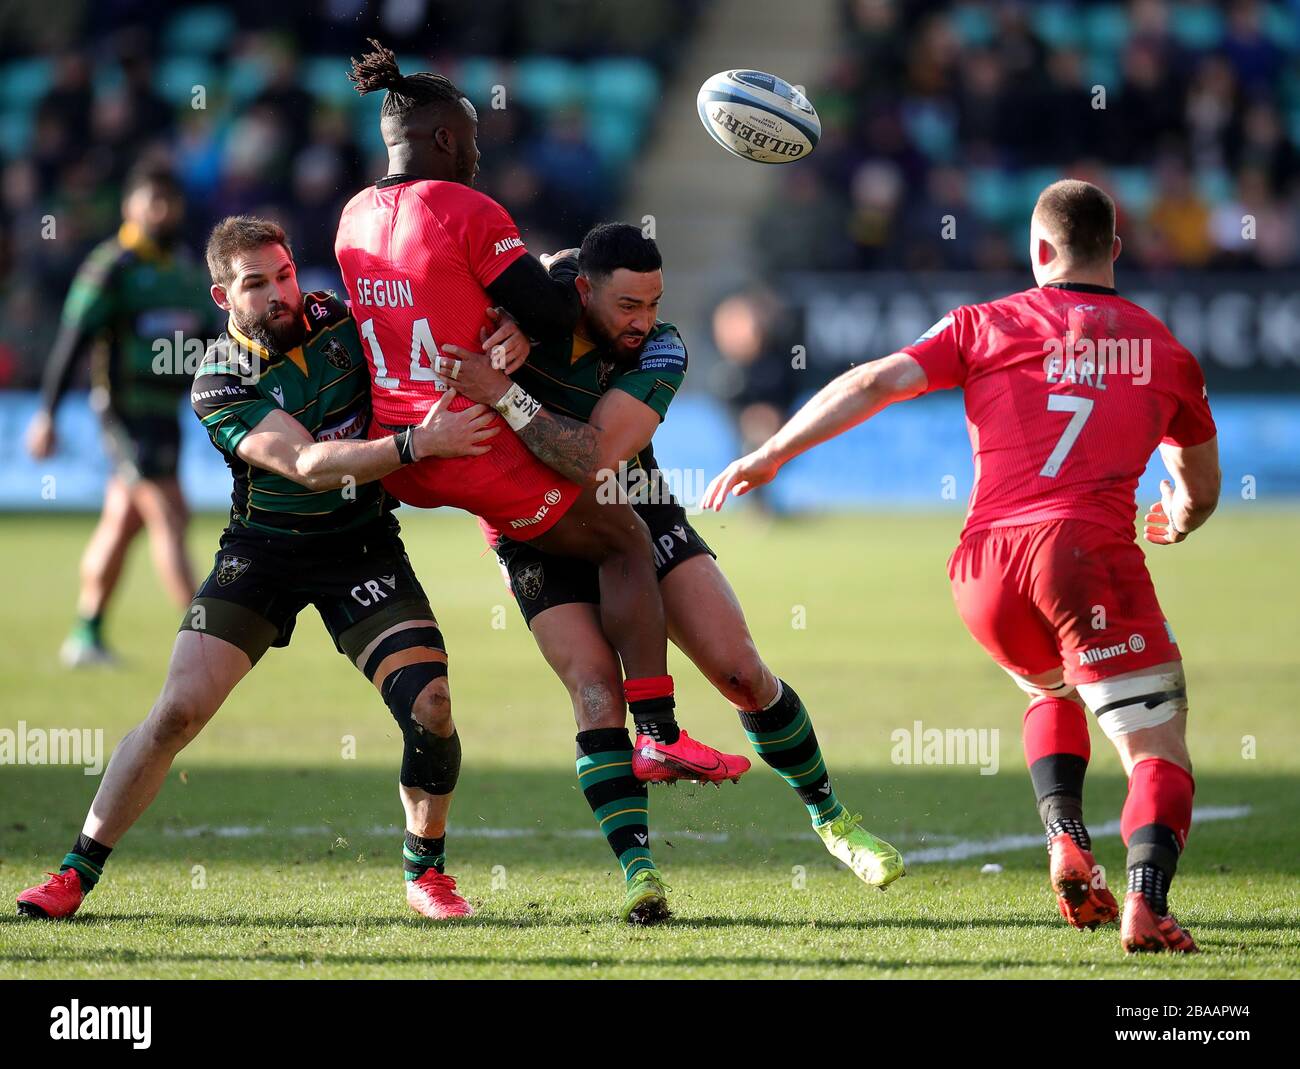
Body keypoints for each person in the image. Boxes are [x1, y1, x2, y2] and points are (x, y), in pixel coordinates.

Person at [704, 180, 1220, 954]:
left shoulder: (986, 322)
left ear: (1039, 251)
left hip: (984, 569)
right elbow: (1200, 486)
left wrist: (773, 451)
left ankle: (1066, 836)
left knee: (1047, 684)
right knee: (1155, 748)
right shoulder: (1162, 349)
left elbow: (874, 381)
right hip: (1084, 554)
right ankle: (1146, 901)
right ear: (1114, 250)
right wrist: (1178, 517)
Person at [334, 41, 747, 922]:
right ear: (445, 141)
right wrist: (523, 326)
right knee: (625, 534)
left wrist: (495, 321)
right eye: (472, 140)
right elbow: (560, 308)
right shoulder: (466, 204)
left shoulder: (352, 217)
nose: (479, 155)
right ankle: (661, 734)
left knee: (585, 617)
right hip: (474, 439)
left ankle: (619, 811)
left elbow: (428, 302)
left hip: (403, 445)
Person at [17, 216, 497, 923]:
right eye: (256, 285)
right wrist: (418, 443)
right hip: (262, 553)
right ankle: (73, 873)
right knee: (175, 711)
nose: (280, 295)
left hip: (360, 547)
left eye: (284, 275)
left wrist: (508, 318)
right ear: (222, 298)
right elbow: (304, 466)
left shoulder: (341, 318)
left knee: (432, 707)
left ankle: (426, 874)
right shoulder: (217, 380)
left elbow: (431, 316)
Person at [441, 222, 907, 921]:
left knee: (741, 671)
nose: (645, 321)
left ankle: (832, 818)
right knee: (597, 691)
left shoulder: (664, 348)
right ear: (581, 293)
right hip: (532, 533)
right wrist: (504, 320)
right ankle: (640, 873)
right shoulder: (526, 314)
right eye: (627, 306)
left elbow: (594, 456)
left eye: (653, 302)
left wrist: (504, 392)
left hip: (637, 510)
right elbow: (498, 282)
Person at [25, 161, 210, 667]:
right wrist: (46, 414)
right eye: (151, 199)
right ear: (130, 205)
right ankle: (203, 639)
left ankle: (85, 636)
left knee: (123, 521)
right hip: (124, 412)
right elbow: (73, 339)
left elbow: (212, 340)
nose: (161, 209)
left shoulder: (187, 271)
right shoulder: (112, 266)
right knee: (171, 514)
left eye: (168, 200)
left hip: (167, 412)